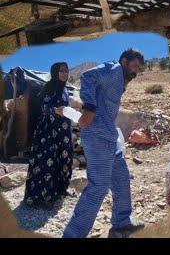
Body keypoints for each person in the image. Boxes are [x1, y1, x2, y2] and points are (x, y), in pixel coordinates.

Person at [62, 49, 145, 238]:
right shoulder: (114, 68)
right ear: (124, 61)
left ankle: (121, 224)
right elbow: (88, 76)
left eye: (139, 68)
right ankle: (72, 235)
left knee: (121, 178)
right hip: (97, 134)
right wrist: (89, 108)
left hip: (109, 136)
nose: (136, 71)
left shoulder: (121, 80)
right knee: (99, 185)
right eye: (134, 66)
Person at [23, 62, 73, 209]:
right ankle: (43, 198)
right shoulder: (49, 87)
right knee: (46, 162)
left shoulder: (65, 90)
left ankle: (61, 189)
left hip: (63, 132)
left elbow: (66, 109)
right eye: (61, 71)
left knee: (64, 159)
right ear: (55, 72)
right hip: (49, 131)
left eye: (66, 71)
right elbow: (44, 108)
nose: (64, 73)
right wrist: (56, 110)